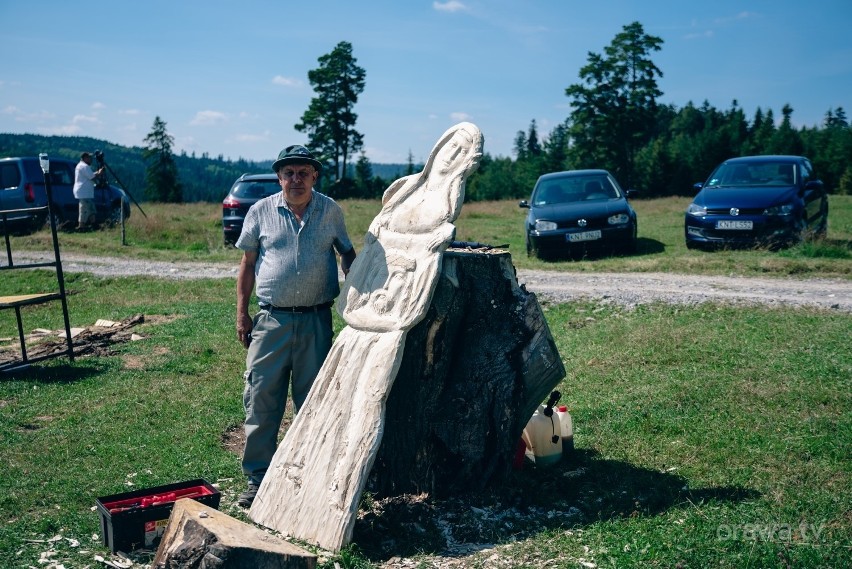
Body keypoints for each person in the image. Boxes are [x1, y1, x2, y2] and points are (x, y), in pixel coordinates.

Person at [234, 144, 357, 507]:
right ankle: (258, 478)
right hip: (271, 321)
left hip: (317, 320)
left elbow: (346, 252)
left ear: (314, 176)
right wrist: (242, 314)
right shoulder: (260, 211)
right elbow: (247, 264)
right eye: (289, 173)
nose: (296, 179)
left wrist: (357, 278)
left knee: (314, 402)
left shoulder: (330, 210)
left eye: (303, 172)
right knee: (261, 398)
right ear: (279, 177)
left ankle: (311, 474)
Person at [73, 152, 104, 230]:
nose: (91, 160)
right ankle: (81, 225)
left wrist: (97, 173)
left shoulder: (81, 166)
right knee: (84, 209)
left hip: (84, 192)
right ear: (85, 158)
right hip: (83, 192)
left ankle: (93, 223)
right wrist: (99, 173)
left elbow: (90, 175)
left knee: (90, 208)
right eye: (89, 158)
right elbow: (92, 177)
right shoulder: (84, 166)